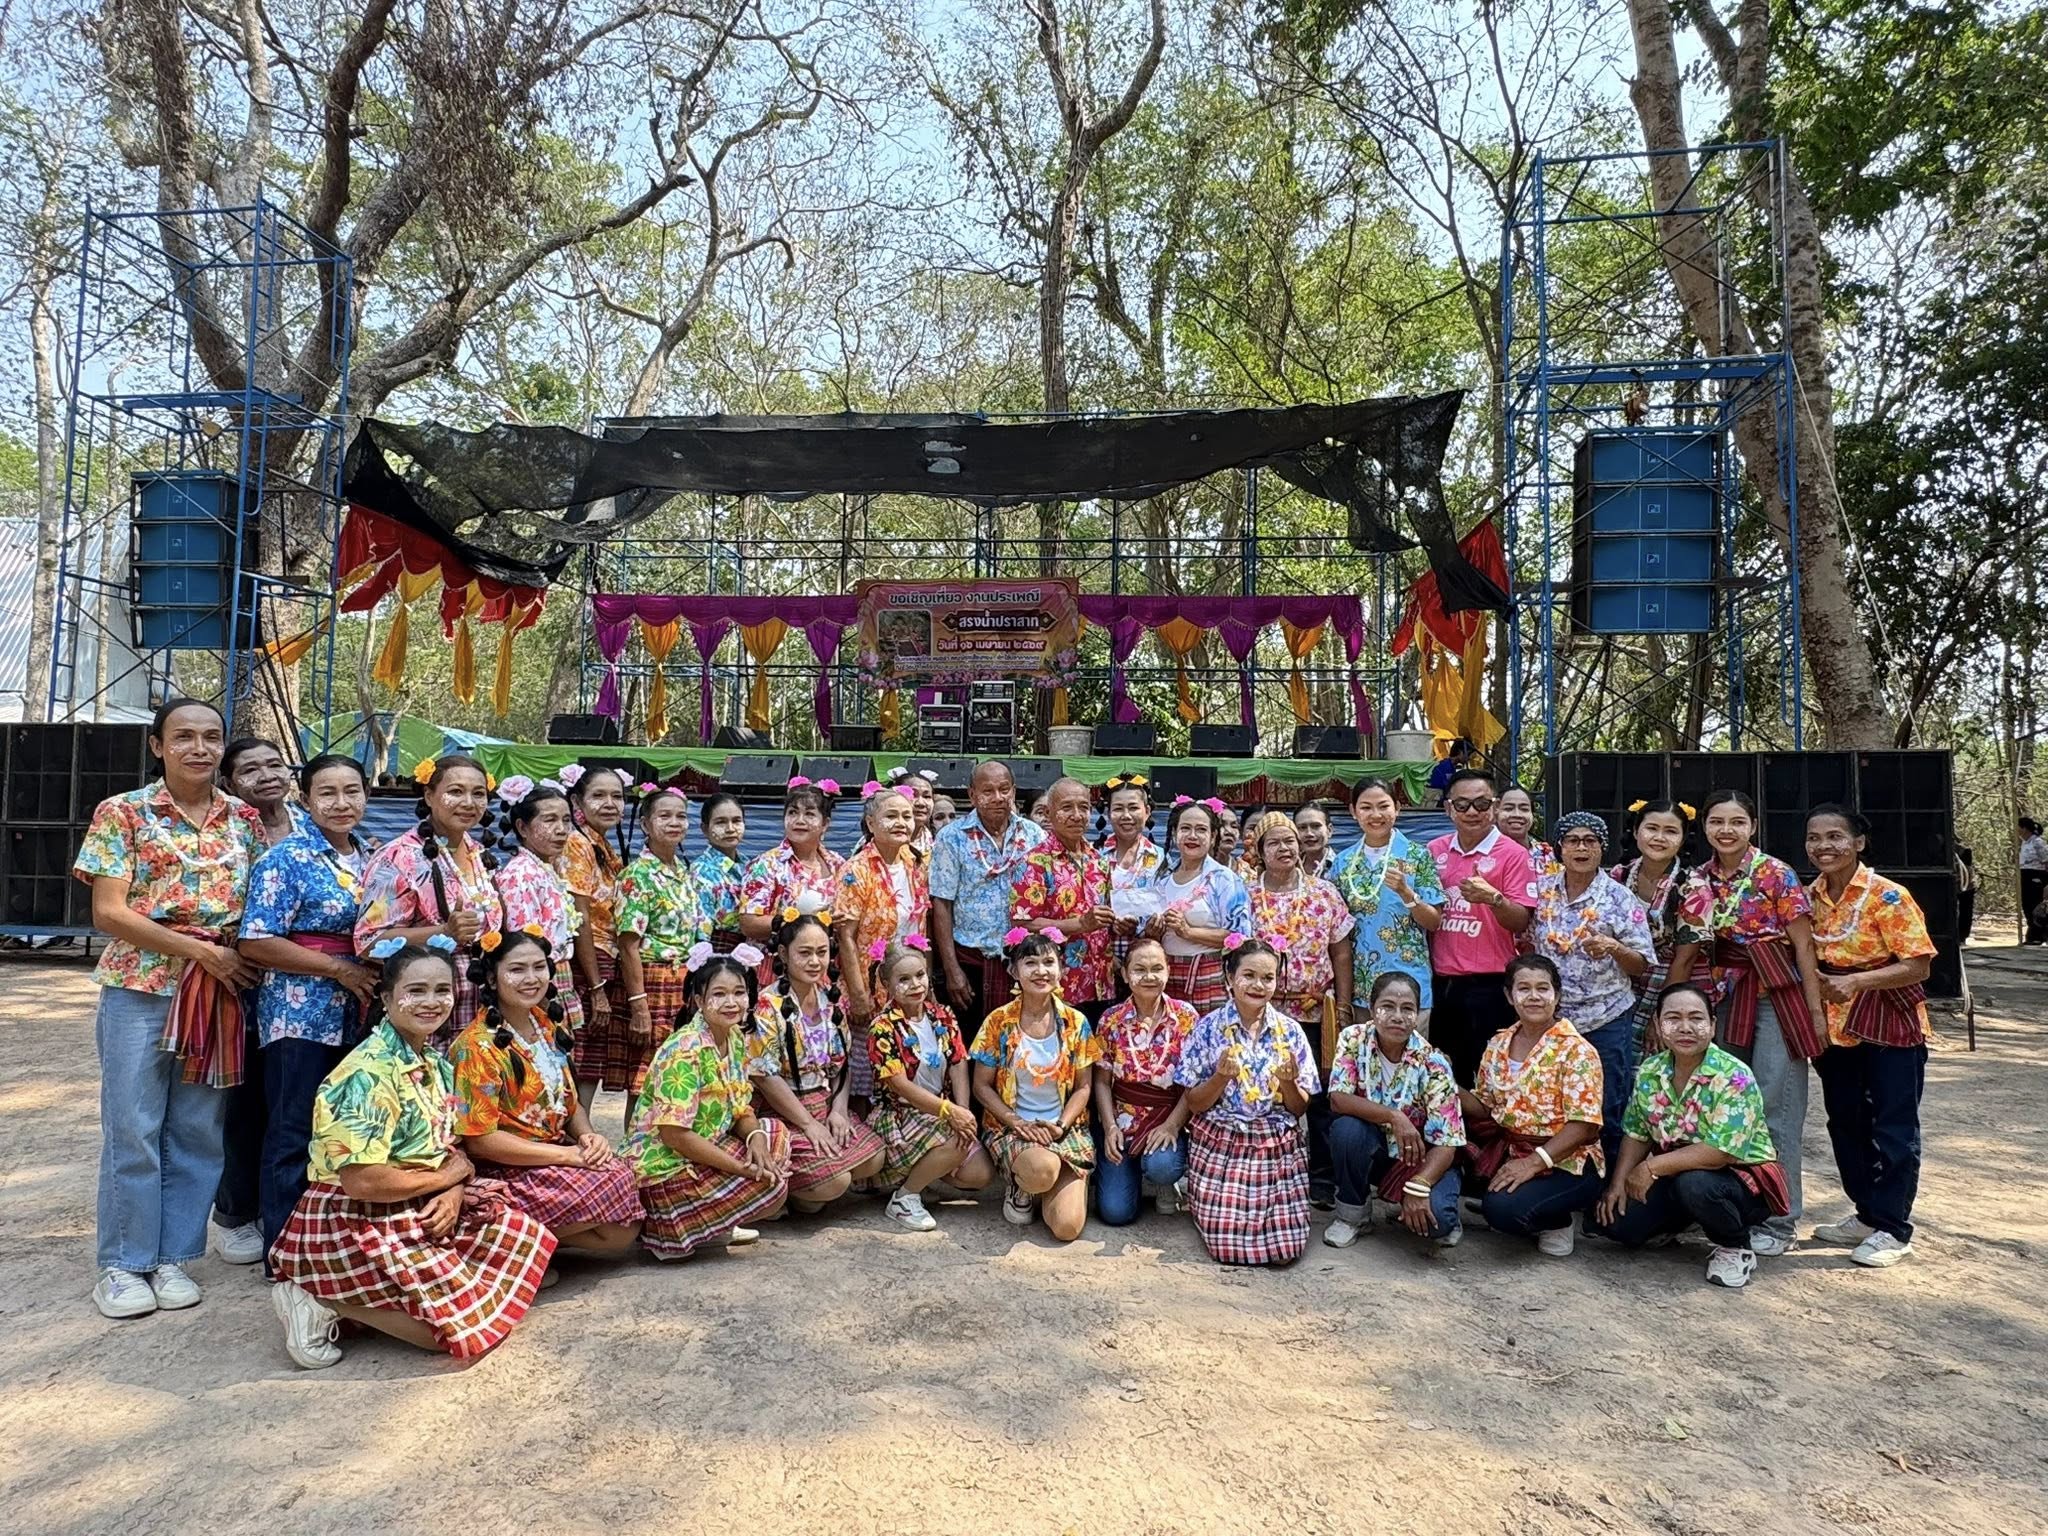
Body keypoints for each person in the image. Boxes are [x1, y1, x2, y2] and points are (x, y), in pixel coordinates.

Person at [268, 942, 556, 1369]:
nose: (431, 1002)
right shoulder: (365, 1074)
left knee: (520, 1238)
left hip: (415, 1197)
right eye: (416, 991)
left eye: (442, 990)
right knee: (448, 1337)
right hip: (355, 1214)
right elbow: (362, 1182)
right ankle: (318, 1297)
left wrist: (453, 1191)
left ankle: (369, 1297)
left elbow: (451, 1147)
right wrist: (444, 1181)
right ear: (386, 998)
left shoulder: (435, 1062)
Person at [74, 698, 264, 1320]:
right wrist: (199, 951)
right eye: (183, 736)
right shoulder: (123, 813)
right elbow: (109, 912)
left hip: (219, 992)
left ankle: (175, 1257)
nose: (198, 748)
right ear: (157, 746)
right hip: (142, 987)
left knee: (198, 1129)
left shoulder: (244, 819)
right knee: (133, 1126)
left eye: (211, 737)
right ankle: (125, 1265)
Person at [1668, 789, 1827, 1256]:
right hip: (1723, 999)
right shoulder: (1698, 879)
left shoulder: (1776, 874)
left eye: (1737, 822)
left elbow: (1803, 946)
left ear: (1752, 826)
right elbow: (1691, 947)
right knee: (1719, 1106)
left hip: (1776, 996)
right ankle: (1725, 1209)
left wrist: (1815, 1011)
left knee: (1776, 1107)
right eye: (1717, 821)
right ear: (1704, 827)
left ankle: (1780, 1220)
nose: (1726, 831)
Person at [235, 753, 380, 1266]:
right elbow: (255, 940)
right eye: (328, 793)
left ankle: (337, 1243)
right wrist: (338, 969)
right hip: (298, 1013)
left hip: (359, 1011)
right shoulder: (286, 859)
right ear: (306, 799)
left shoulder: (372, 856)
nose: (341, 803)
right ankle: (285, 1252)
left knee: (349, 1128)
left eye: (352, 791)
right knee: (293, 1128)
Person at [449, 929, 643, 1255]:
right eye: (517, 969)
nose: (531, 978)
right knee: (614, 1191)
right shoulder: (476, 1047)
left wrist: (588, 1137)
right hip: (507, 1167)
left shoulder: (548, 1026)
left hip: (551, 1155)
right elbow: (480, 1140)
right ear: (492, 979)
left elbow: (569, 1103)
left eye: (538, 967)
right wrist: (567, 1156)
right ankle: (505, 1240)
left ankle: (528, 1249)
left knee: (622, 1224)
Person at [1805, 805, 1938, 1268]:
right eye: (1814, 837)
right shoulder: (1808, 897)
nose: (1824, 846)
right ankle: (1867, 1213)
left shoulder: (1888, 896)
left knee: (1894, 1124)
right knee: (1846, 1120)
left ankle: (1894, 1228)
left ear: (1858, 843)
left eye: (1835, 836)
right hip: (1835, 1026)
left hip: (1889, 1020)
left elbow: (1919, 965)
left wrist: (1857, 982)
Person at [1591, 982, 1788, 1290]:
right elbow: (1637, 1131)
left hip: (1740, 1180)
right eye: (1673, 1018)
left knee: (1695, 1185)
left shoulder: (1734, 1075)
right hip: (1677, 1172)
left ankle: (1735, 1245)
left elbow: (1719, 1153)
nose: (1685, 1028)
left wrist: (1650, 1167)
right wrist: (1618, 1184)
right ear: (1658, 1024)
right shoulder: (1651, 1070)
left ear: (1712, 1025)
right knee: (1618, 1225)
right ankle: (1682, 1220)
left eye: (1696, 1018)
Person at [209, 735, 313, 1262]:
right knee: (243, 1100)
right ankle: (235, 1211)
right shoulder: (224, 832)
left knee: (292, 1101)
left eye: (275, 764)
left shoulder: (313, 824)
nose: (267, 776)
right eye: (250, 770)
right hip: (241, 979)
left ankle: (296, 1209)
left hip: (302, 990)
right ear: (229, 782)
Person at [623, 951, 793, 1258]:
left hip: (704, 1147)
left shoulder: (735, 1037)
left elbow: (741, 1106)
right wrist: (741, 1169)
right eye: (719, 994)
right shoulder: (685, 1050)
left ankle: (710, 1227)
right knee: (770, 1186)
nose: (731, 1002)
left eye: (739, 992)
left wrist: (756, 1140)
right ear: (699, 1001)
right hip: (665, 1167)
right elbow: (674, 1135)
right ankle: (668, 1232)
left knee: (773, 1135)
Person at [1174, 938, 1321, 1266]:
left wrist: (1287, 1083)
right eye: (1249, 975)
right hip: (1222, 1140)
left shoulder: (1291, 1031)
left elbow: (1299, 1108)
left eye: (1268, 978)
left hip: (1274, 1144)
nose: (1258, 985)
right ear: (1230, 977)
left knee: (1285, 1252)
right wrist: (1220, 1078)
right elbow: (1195, 1104)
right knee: (1227, 1249)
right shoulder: (1208, 1028)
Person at [1527, 811, 1655, 1163]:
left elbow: (1642, 964)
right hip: (1552, 1021)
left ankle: (1611, 1184)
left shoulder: (1619, 898)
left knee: (1608, 1104)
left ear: (1602, 848)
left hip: (1605, 1018)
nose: (1581, 848)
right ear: (1560, 848)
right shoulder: (1542, 891)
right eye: (1573, 841)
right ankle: (1563, 1176)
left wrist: (1614, 947)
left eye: (1590, 841)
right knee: (1554, 1101)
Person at [1458, 954, 1604, 1256]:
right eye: (1524, 988)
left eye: (1543, 988)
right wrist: (1444, 1083)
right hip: (1511, 1149)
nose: (1534, 996)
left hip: (1566, 1161)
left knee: (1501, 1210)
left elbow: (1584, 1126)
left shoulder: (1577, 1050)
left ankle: (1557, 1221)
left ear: (1557, 996)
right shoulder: (1498, 1044)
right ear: (1509, 996)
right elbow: (1485, 1107)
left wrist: (1532, 1163)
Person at [354, 753, 505, 1042]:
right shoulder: (399, 857)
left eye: (478, 794)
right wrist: (443, 932)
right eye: (455, 791)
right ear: (429, 795)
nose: (469, 802)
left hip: (477, 1007)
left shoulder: (480, 855)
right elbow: (367, 943)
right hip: (422, 1008)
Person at [1244, 810, 1354, 1205]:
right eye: (1273, 842)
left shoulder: (1324, 893)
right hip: (1263, 1013)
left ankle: (1322, 1179)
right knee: (1263, 1090)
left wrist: (1344, 1006)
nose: (1284, 848)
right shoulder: (1246, 896)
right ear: (1260, 851)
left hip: (1315, 1012)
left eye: (1289, 840)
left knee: (1319, 1096)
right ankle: (1265, 1173)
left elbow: (1341, 953)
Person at [749, 913, 886, 1211]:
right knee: (835, 1182)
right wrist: (809, 1124)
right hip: (783, 1107)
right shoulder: (766, 1006)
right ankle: (792, 1195)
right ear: (783, 953)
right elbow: (765, 1077)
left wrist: (838, 1110)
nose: (815, 961)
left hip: (823, 1101)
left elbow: (841, 1064)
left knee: (874, 1160)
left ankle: (809, 1194)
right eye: (805, 953)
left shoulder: (830, 999)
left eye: (822, 952)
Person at [970, 930, 1099, 1239]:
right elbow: (981, 1087)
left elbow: (1083, 1087)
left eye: (1049, 962)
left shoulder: (1076, 1022)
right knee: (1042, 1170)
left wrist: (1060, 1125)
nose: (1041, 971)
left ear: (1061, 970)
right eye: (1030, 963)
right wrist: (1017, 1122)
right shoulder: (998, 1022)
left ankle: (1049, 1179)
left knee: (1067, 1228)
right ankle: (1024, 1182)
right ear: (1014, 971)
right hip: (1013, 1128)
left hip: (1064, 1128)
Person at [1324, 971, 1465, 1249]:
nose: (1397, 1017)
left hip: (1421, 1157)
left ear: (1417, 1014)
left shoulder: (1433, 1062)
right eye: (1387, 1006)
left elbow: (1447, 1142)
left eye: (1407, 1009)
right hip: (1375, 1151)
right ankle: (1352, 1216)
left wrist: (1419, 1185)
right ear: (1372, 1008)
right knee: (1347, 1130)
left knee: (1438, 1224)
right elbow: (1338, 1098)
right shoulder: (1353, 1039)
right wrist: (1394, 1116)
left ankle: (1435, 1200)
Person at [865, 939, 995, 1231]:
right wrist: (949, 1112)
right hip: (902, 1113)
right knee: (956, 1145)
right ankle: (904, 1197)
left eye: (920, 975)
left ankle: (922, 1175)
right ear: (886, 983)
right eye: (904, 979)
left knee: (981, 1174)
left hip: (941, 1109)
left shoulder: (943, 1015)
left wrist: (963, 1110)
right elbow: (899, 1084)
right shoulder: (882, 1027)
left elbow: (958, 1061)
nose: (915, 985)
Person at [1428, 769, 1537, 1087]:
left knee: (1492, 1078)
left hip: (1491, 985)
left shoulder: (1514, 855)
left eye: (1481, 803)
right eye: (1462, 805)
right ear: (1448, 808)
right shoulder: (1433, 851)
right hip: (1441, 985)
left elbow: (1521, 920)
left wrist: (1494, 899)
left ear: (1495, 806)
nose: (1472, 812)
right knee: (1445, 1078)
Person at [612, 785, 710, 1120]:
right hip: (652, 983)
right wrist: (638, 1004)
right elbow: (628, 944)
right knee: (645, 1078)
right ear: (645, 824)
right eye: (664, 816)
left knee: (676, 1072)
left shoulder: (682, 871)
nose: (674, 823)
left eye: (681, 816)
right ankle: (634, 1146)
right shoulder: (637, 875)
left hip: (683, 983)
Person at [929, 759, 1046, 1030]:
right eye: (987, 791)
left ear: (1013, 792)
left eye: (1004, 789)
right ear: (972, 795)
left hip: (1024, 961)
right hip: (970, 962)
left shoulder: (1034, 835)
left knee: (1019, 1043)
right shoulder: (951, 837)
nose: (997, 797)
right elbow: (942, 905)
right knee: (972, 1045)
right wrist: (951, 970)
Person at [1090, 937, 1198, 1226]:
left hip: (1167, 1117)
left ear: (1168, 972)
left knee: (1162, 1166)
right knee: (1116, 1213)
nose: (1149, 976)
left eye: (1157, 968)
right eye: (1140, 969)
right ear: (1125, 975)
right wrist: (1110, 1127)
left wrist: (1172, 1126)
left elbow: (1192, 1083)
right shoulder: (1110, 1020)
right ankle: (1129, 1175)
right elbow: (1102, 1081)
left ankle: (1163, 1181)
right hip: (1122, 1121)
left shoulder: (1186, 1017)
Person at [1329, 778, 1444, 1028]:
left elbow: (1434, 922)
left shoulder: (1417, 856)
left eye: (1383, 806)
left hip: (1409, 983)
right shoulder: (1342, 862)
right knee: (1362, 1051)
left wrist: (1406, 893)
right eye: (1366, 807)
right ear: (1353, 811)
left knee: (1410, 1052)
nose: (1376, 815)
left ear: (1397, 808)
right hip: (1361, 987)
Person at [835, 783, 929, 1063]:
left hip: (909, 983)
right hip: (870, 984)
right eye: (891, 816)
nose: (901, 823)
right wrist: (858, 993)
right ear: (871, 823)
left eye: (906, 816)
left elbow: (920, 930)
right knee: (869, 1065)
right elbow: (845, 936)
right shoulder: (856, 870)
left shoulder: (915, 864)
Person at [1011, 777, 1118, 1018]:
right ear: (1049, 813)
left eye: (1084, 807)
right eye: (1067, 807)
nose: (1077, 815)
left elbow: (1106, 918)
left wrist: (1119, 923)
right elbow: (1022, 923)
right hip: (1057, 986)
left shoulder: (1099, 861)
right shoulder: (1033, 863)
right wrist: (1079, 924)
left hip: (1102, 983)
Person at [491, 778, 586, 1041]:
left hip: (556, 975)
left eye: (566, 820)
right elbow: (524, 945)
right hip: (538, 981)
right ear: (522, 827)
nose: (561, 830)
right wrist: (540, 999)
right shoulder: (521, 875)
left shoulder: (545, 869)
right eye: (549, 820)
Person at [1140, 797, 1252, 1012]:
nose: (1192, 836)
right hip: (1165, 974)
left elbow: (1240, 936)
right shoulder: (1161, 879)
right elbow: (1148, 932)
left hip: (1209, 974)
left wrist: (1188, 931)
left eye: (1201, 829)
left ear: (1213, 836)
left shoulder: (1224, 879)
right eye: (1185, 828)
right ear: (1174, 834)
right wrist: (1153, 932)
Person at [562, 765, 632, 1102]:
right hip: (587, 963)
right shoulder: (577, 843)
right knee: (578, 1055)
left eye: (617, 796)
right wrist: (595, 987)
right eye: (598, 795)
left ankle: (584, 1128)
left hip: (605, 959)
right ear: (577, 801)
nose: (609, 803)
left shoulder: (602, 844)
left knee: (592, 1059)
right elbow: (581, 919)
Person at [1611, 799, 1700, 1054]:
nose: (1659, 838)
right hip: (1620, 983)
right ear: (1636, 831)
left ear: (1682, 839)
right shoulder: (1618, 876)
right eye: (1652, 828)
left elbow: (1685, 958)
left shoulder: (1694, 887)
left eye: (1670, 831)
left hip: (1671, 984)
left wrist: (1663, 1013)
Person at [738, 779, 848, 982]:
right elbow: (749, 923)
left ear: (825, 824)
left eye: (809, 814)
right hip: (775, 969)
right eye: (792, 812)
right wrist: (805, 919)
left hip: (824, 967)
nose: (799, 820)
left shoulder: (838, 864)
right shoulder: (767, 864)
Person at [692, 793, 749, 953]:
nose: (730, 829)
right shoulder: (702, 872)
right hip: (717, 952)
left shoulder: (750, 866)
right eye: (721, 822)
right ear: (705, 829)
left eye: (736, 821)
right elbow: (700, 932)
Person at [1494, 783, 1558, 887]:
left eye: (1524, 809)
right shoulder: (1484, 855)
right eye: (1508, 808)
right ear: (1496, 811)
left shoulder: (1547, 855)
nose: (1517, 814)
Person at [2021, 817, 2048, 945]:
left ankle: (2038, 935)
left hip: (2036, 875)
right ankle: (2032, 933)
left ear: (2024, 828)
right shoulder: (2024, 843)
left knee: (2034, 904)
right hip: (2025, 874)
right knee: (2026, 904)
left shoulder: (2038, 842)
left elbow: (2046, 861)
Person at [1293, 801, 1334, 878]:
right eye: (1302, 827)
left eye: (1316, 826)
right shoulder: (1290, 865)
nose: (1309, 833)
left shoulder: (1343, 866)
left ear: (1329, 830)